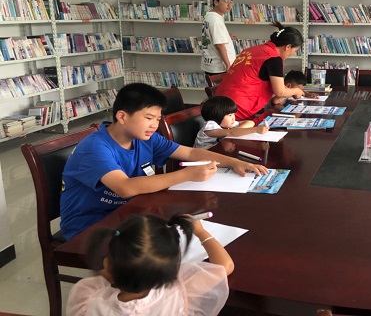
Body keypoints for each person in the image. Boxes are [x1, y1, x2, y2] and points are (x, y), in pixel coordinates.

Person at [60, 83, 267, 240]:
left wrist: (233, 162)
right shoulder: (95, 147)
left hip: (132, 213)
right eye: (148, 118)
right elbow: (125, 188)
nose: (154, 125)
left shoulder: (145, 138)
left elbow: (190, 153)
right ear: (122, 117)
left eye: (158, 119)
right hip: (91, 226)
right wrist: (186, 175)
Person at [66, 213, 233, 316]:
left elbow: (99, 279)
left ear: (108, 264)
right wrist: (201, 232)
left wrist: (112, 268)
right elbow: (225, 265)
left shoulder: (88, 300)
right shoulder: (181, 293)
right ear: (174, 269)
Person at [215, 22, 306, 122]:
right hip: (234, 111)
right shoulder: (274, 59)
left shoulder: (253, 49)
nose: (292, 54)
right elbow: (280, 91)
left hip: (219, 104)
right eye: (294, 51)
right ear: (288, 47)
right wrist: (297, 91)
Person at [194, 96, 269, 149]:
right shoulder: (210, 126)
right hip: (199, 157)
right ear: (217, 115)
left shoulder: (225, 124)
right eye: (230, 115)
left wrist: (238, 129)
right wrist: (255, 130)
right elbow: (231, 133)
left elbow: (250, 122)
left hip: (215, 152)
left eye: (234, 114)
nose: (233, 118)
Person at [201, 0, 236, 76]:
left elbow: (211, 36)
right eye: (226, 1)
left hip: (212, 63)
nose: (229, 5)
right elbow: (219, 45)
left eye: (231, 2)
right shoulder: (215, 20)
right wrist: (228, 65)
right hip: (219, 67)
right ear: (216, 2)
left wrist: (226, 36)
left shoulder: (210, 15)